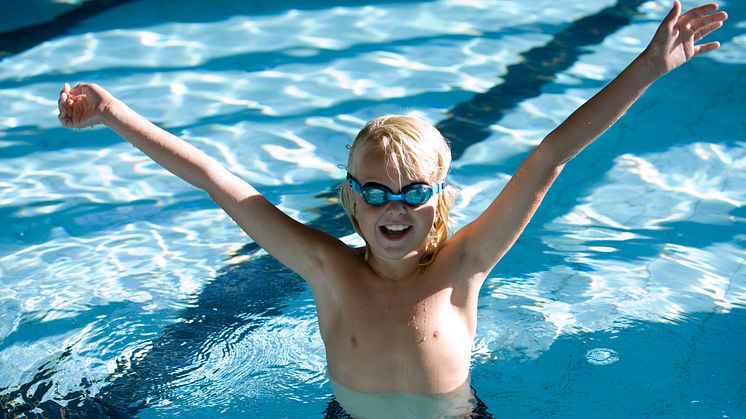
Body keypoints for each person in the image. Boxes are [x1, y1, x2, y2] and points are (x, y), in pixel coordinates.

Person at [57, 2, 727, 417]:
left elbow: (551, 155)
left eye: (412, 191)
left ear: (440, 197)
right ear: (351, 198)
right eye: (375, 190)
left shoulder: (465, 262)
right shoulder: (329, 270)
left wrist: (647, 67)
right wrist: (115, 114)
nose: (393, 205)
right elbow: (216, 180)